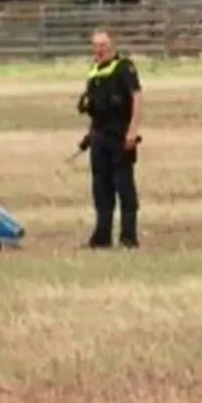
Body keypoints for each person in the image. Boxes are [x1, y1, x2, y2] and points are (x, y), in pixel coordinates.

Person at [76, 29, 143, 249]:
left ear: (111, 46)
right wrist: (89, 136)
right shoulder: (93, 72)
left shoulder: (124, 67)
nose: (99, 49)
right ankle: (101, 238)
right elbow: (94, 110)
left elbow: (137, 97)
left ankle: (128, 238)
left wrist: (132, 130)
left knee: (124, 187)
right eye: (96, 45)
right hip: (99, 138)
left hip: (120, 136)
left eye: (103, 45)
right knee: (101, 189)